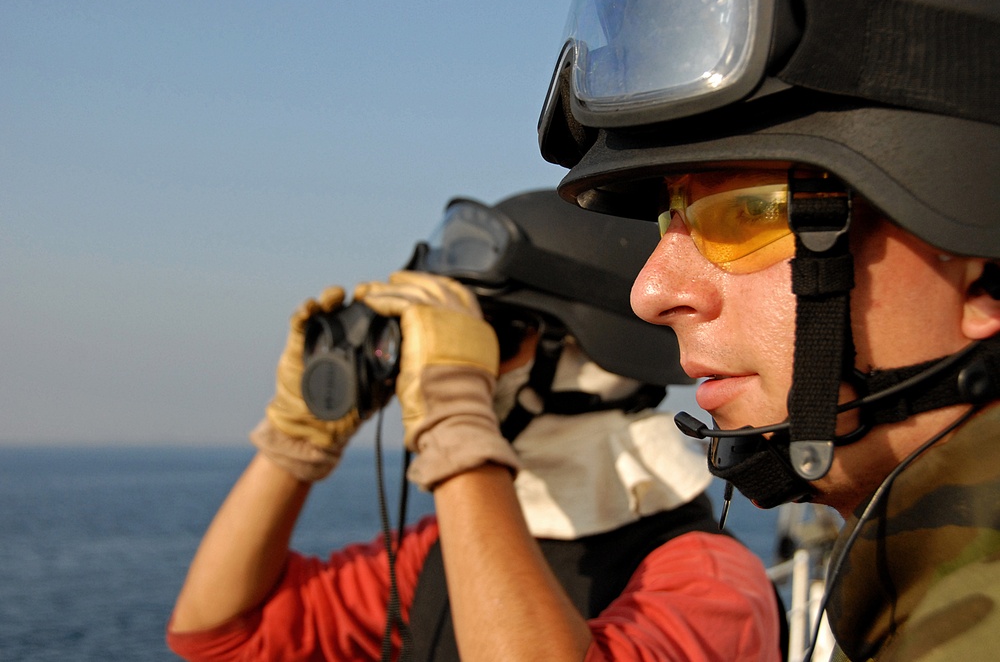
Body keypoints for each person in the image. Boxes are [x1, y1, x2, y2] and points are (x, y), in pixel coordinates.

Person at [535, 0, 1000, 660]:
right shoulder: (915, 594)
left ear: (984, 275)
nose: (651, 292)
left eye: (748, 215)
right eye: (672, 220)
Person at [166, 189, 782, 661]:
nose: (455, 367)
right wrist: (295, 438)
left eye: (488, 339)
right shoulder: (438, 558)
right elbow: (221, 633)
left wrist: (457, 422)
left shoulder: (713, 583)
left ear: (594, 360)